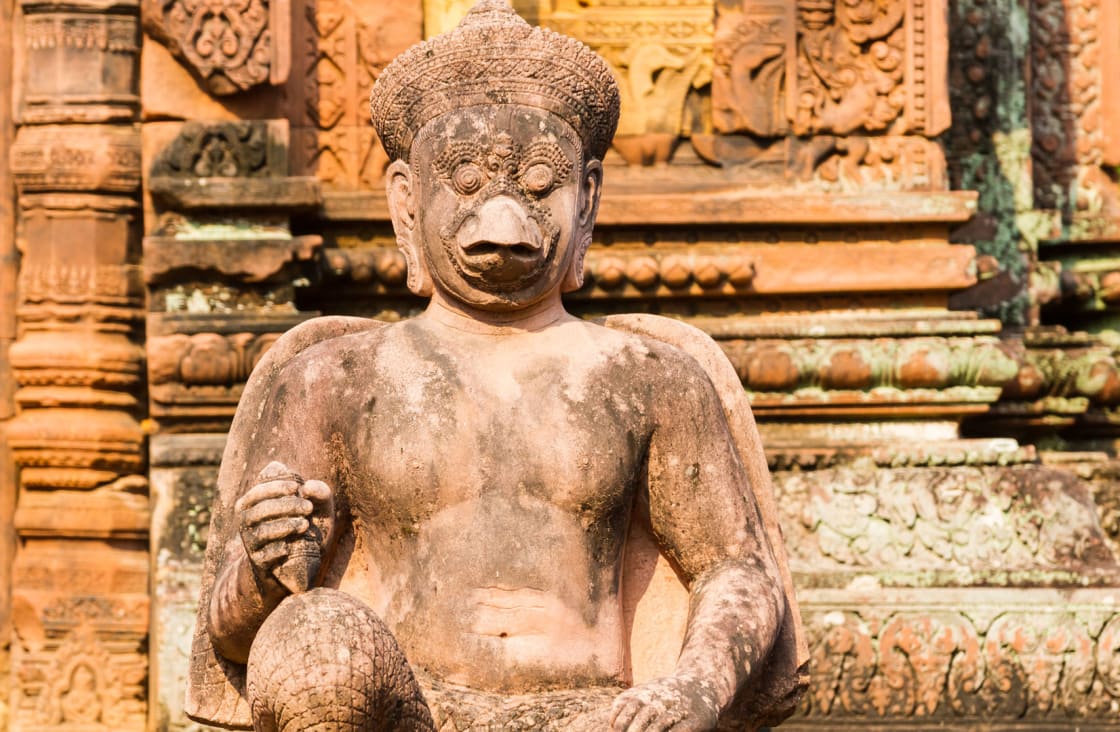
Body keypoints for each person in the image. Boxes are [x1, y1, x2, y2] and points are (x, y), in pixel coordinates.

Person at [186, 2, 807, 729]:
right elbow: (231, 633)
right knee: (313, 636)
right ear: (407, 202)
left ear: (590, 199)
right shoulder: (334, 378)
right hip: (407, 710)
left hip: (594, 716)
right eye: (469, 183)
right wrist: (264, 567)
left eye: (541, 183)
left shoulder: (648, 376)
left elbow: (737, 571)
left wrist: (688, 691)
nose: (505, 218)